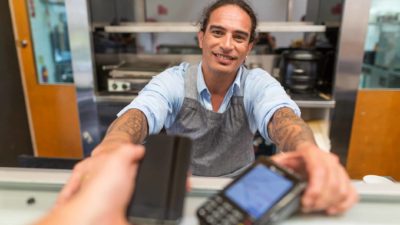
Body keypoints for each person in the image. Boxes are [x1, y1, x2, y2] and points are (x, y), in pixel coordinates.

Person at [91, 0, 357, 215]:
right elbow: (140, 113)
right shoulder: (173, 81)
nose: (227, 45)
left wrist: (307, 151)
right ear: (201, 38)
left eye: (239, 37)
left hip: (242, 191)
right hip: (184, 187)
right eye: (217, 32)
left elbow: (283, 118)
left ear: (249, 47)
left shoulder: (257, 83)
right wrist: (113, 146)